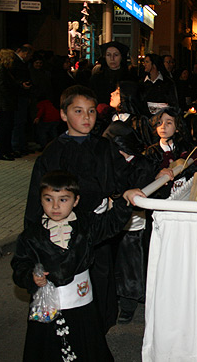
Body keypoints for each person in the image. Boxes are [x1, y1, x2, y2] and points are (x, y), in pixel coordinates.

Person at [23, 85, 143, 332]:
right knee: (68, 288)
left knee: (100, 282)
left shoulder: (104, 147)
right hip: (63, 234)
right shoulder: (53, 153)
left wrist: (149, 172)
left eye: (91, 111)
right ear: (64, 114)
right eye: (78, 111)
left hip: (97, 229)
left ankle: (97, 333)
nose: (87, 118)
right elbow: (37, 201)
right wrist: (33, 246)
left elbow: (124, 177)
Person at [11, 170, 145, 361]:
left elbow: (111, 223)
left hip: (81, 306)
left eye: (63, 200)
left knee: (85, 346)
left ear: (75, 200)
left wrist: (125, 199)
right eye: (48, 199)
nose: (55, 206)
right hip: (47, 307)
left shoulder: (86, 225)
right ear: (40, 200)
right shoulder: (31, 235)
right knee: (48, 350)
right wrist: (30, 276)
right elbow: (20, 264)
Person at [102, 121, 158, 324]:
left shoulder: (142, 164)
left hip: (133, 224)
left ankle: (129, 303)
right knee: (113, 264)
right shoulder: (108, 161)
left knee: (130, 267)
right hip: (110, 222)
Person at [144, 106, 197, 198]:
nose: (163, 126)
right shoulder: (152, 151)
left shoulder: (185, 147)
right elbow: (146, 174)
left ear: (177, 128)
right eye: (159, 123)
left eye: (169, 123)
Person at [0, 48, 30, 161]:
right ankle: (3, 151)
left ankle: (7, 150)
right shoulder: (1, 69)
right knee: (5, 127)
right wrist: (17, 87)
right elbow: (3, 86)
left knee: (8, 127)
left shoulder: (4, 69)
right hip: (5, 103)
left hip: (7, 102)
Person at [106, 80, 155, 147]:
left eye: (117, 93)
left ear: (126, 97)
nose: (112, 93)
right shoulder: (108, 117)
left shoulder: (138, 123)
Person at [90, 41, 133, 105]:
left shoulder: (130, 79)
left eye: (116, 55)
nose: (112, 58)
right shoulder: (96, 78)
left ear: (121, 57)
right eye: (108, 55)